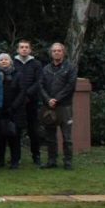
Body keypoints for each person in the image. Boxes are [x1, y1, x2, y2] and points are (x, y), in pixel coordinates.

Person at [39, 42, 78, 170]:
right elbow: (41, 86)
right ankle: (52, 160)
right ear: (51, 53)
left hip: (64, 106)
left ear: (63, 52)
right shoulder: (46, 69)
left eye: (59, 50)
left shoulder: (70, 67)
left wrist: (57, 99)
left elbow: (70, 86)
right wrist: (48, 99)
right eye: (54, 51)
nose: (56, 52)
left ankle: (68, 161)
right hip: (49, 106)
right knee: (50, 136)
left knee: (67, 137)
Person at [14, 39, 43, 165]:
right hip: (16, 102)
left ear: (30, 49)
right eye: (22, 47)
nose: (24, 49)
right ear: (17, 49)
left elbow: (39, 81)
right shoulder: (13, 63)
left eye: (26, 47)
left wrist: (27, 94)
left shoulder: (36, 64)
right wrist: (19, 97)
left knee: (34, 131)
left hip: (31, 101)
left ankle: (36, 156)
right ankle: (17, 157)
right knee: (16, 131)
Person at [0, 53, 25, 169]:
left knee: (14, 137)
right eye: (1, 60)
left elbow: (22, 92)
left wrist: (13, 107)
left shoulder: (18, 74)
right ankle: (0, 161)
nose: (3, 61)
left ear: (11, 62)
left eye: (6, 59)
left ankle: (15, 161)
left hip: (14, 111)